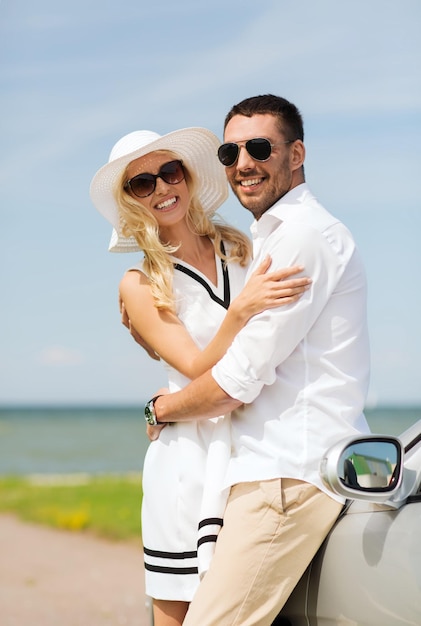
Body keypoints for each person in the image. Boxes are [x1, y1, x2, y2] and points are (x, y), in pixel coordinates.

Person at [143, 95, 371, 626]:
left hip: (287, 476)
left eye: (260, 148)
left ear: (296, 155)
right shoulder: (267, 241)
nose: (243, 163)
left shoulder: (303, 237)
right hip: (263, 475)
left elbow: (234, 382)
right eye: (231, 152)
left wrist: (161, 410)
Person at [89, 126, 310, 626]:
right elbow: (195, 367)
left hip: (253, 451)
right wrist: (243, 310)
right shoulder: (140, 283)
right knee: (180, 611)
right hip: (187, 461)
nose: (162, 188)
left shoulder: (242, 249)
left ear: (187, 177)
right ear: (129, 202)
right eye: (142, 183)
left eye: (169, 172)